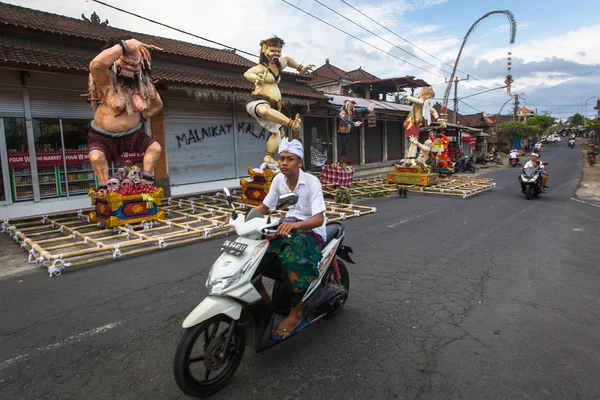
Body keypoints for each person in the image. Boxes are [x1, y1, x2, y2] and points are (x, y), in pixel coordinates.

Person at [254, 137, 327, 340]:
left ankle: (295, 314)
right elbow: (264, 207)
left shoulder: (312, 182)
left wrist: (295, 225)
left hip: (310, 230)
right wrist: (241, 218)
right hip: (288, 225)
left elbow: (318, 219)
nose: (284, 163)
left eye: (290, 159)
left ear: (300, 162)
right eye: (281, 158)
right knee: (255, 252)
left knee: (293, 259)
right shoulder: (278, 180)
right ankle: (265, 303)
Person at [86, 37, 164, 197]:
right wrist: (124, 46)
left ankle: (147, 182)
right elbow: (96, 65)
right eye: (126, 62)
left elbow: (158, 105)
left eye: (135, 64)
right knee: (96, 156)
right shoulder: (106, 81)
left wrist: (144, 114)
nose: (131, 66)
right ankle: (104, 188)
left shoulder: (142, 85)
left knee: (154, 148)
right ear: (115, 60)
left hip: (132, 133)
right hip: (102, 134)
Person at [244, 37, 314, 165]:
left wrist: (300, 68)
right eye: (272, 50)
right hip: (258, 101)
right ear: (264, 49)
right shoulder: (261, 68)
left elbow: (287, 60)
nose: (276, 53)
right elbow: (248, 73)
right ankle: (291, 124)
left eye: (278, 50)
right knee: (265, 110)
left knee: (276, 133)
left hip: (275, 106)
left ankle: (269, 157)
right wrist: (256, 79)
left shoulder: (278, 66)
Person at [337, 99, 363, 164]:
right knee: (343, 146)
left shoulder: (351, 112)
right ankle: (341, 162)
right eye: (352, 106)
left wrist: (368, 109)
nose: (353, 107)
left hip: (347, 131)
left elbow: (360, 109)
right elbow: (344, 119)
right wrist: (353, 123)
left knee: (345, 146)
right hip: (342, 132)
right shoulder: (343, 112)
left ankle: (343, 161)